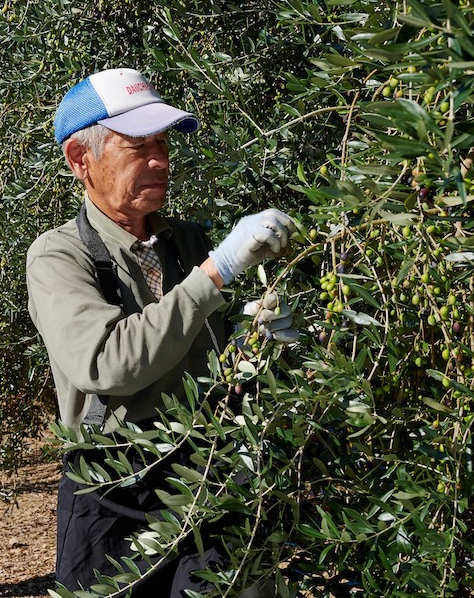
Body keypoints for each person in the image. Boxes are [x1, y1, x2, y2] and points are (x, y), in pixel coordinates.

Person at [26, 68, 298, 597]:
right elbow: (109, 362)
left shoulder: (188, 240)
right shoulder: (59, 256)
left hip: (207, 471)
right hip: (111, 488)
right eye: (139, 147)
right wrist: (216, 272)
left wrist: (262, 334)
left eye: (163, 143)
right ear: (81, 160)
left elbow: (210, 347)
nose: (161, 161)